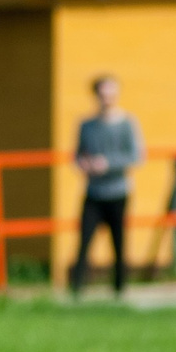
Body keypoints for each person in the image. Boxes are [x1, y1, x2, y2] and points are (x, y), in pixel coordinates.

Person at [72, 74, 143, 297]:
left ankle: (120, 289)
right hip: (93, 192)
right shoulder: (87, 125)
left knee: (119, 242)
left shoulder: (127, 123)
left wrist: (108, 164)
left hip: (118, 192)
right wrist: (84, 164)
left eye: (111, 94)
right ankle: (76, 290)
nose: (107, 99)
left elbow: (136, 156)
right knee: (84, 241)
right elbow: (76, 155)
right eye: (103, 94)